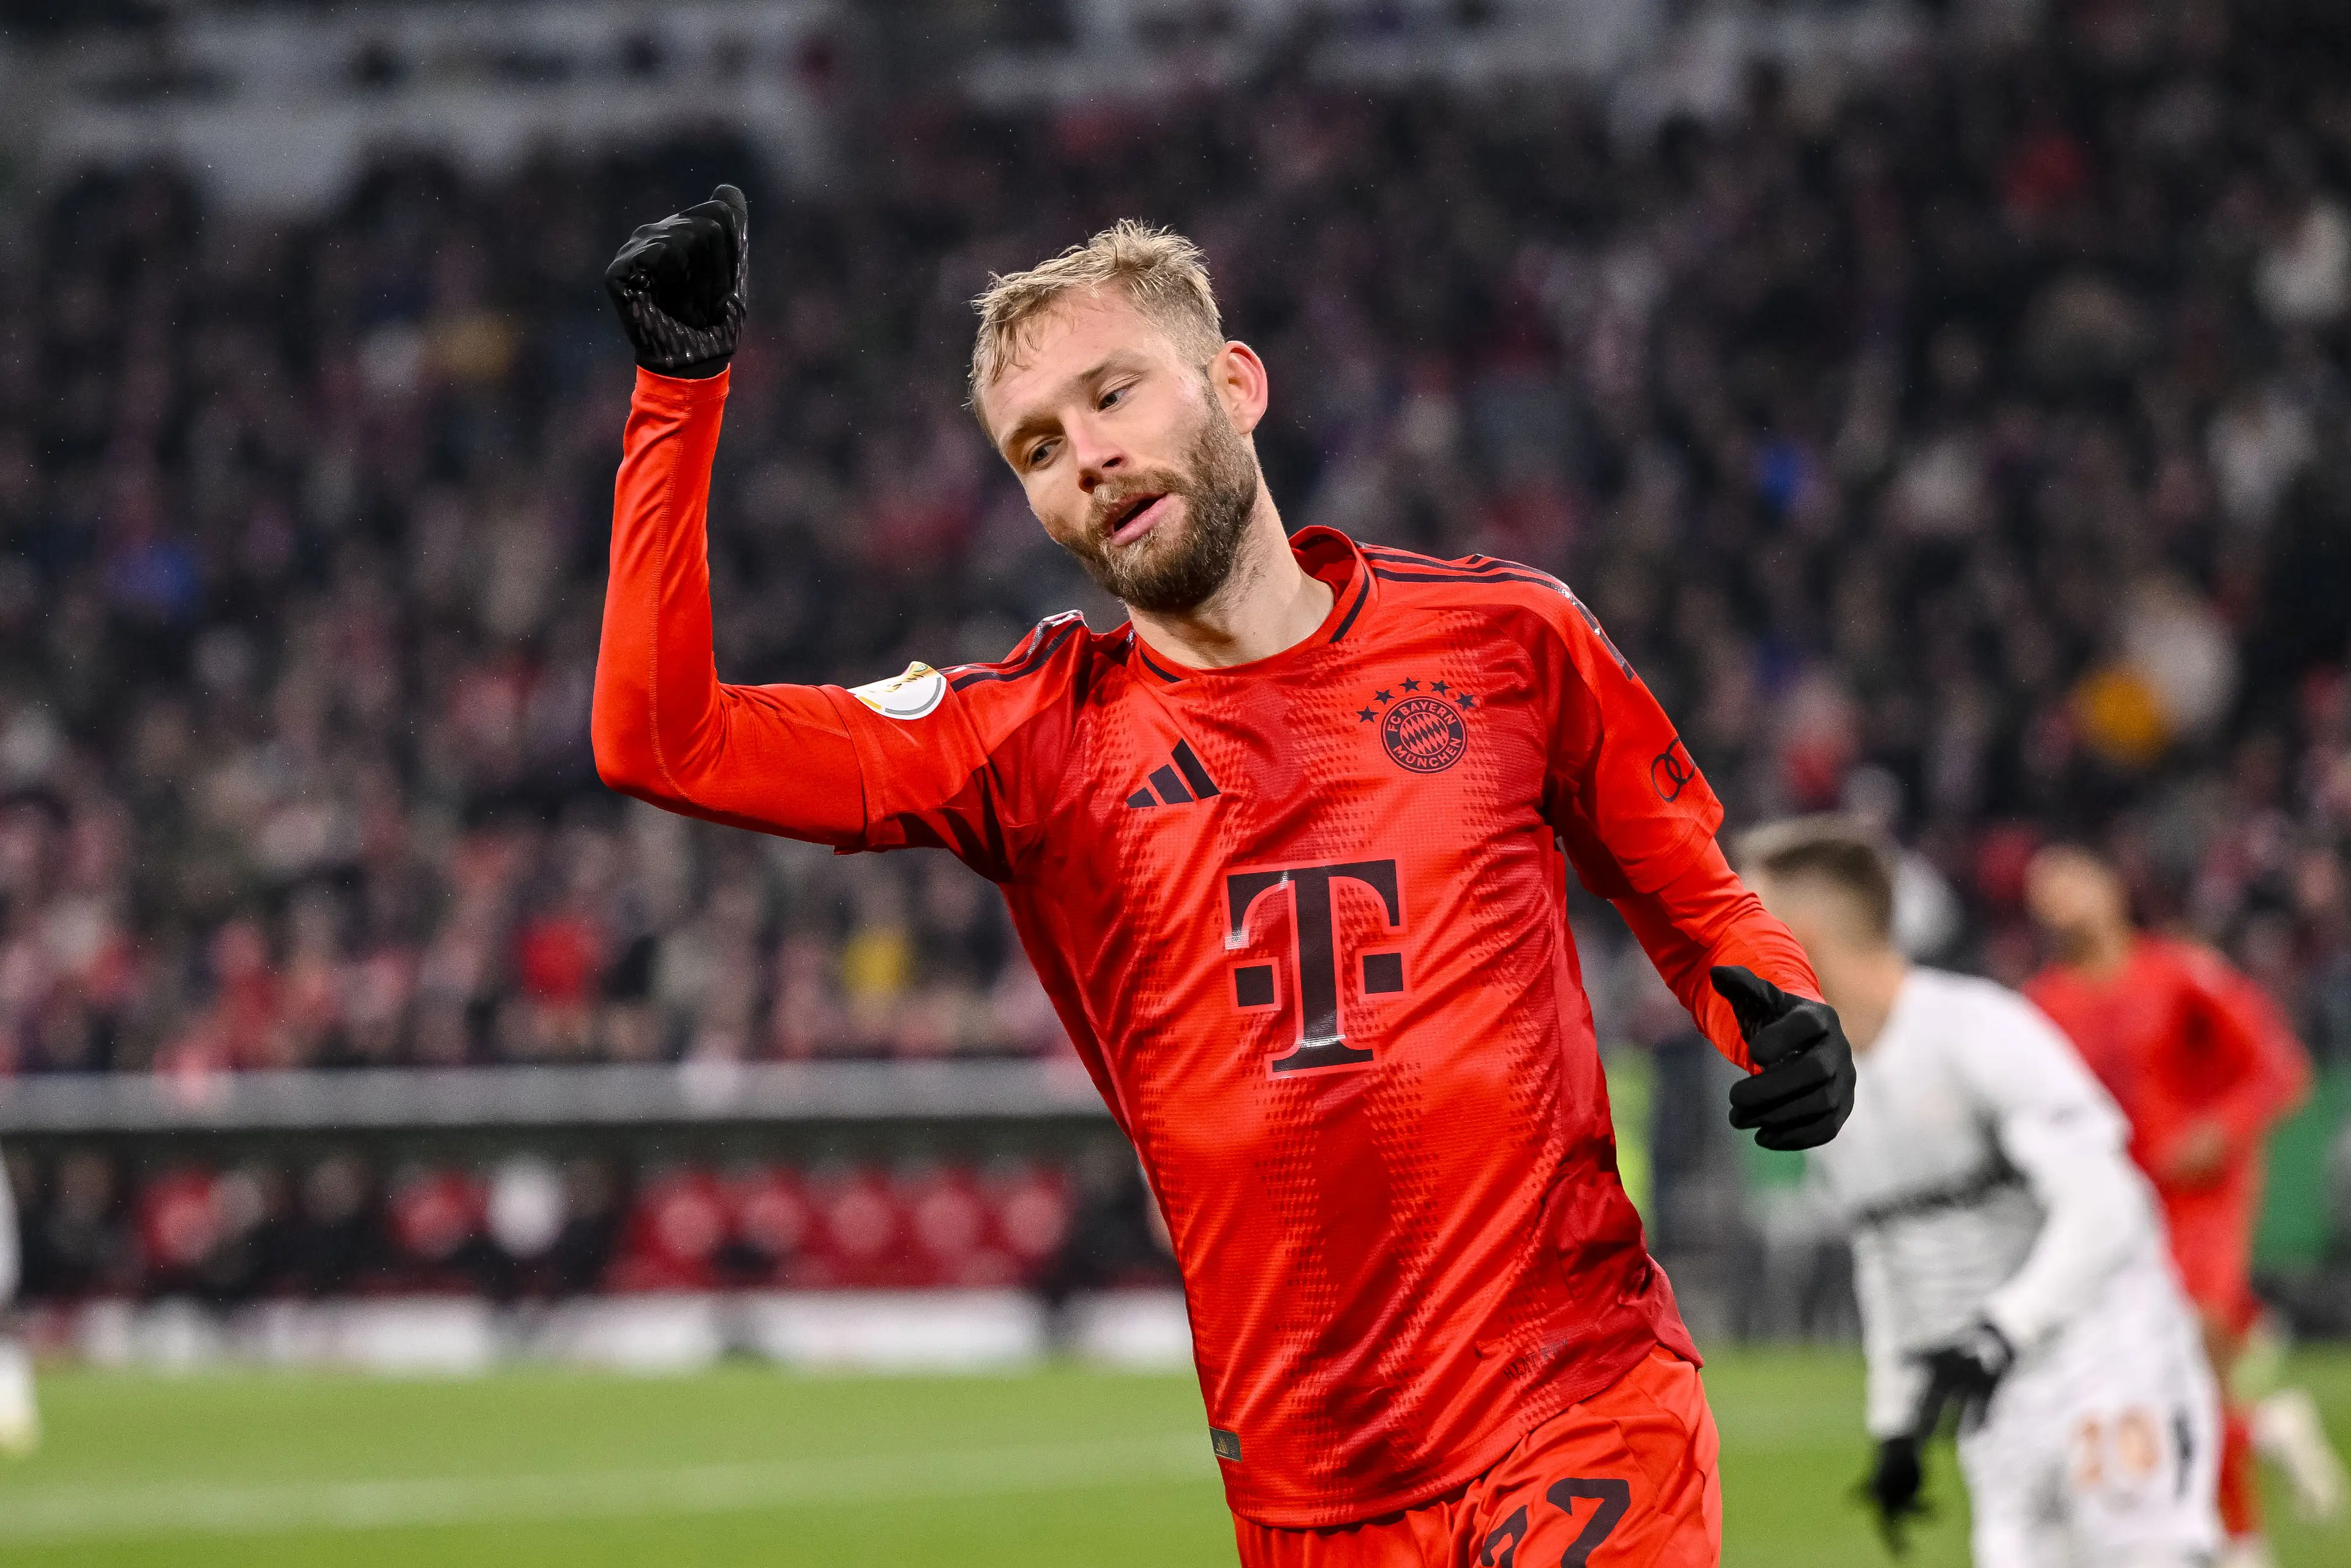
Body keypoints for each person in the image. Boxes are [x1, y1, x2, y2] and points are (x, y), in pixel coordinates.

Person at [594, 192, 1858, 1566]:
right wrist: (681, 393)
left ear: (1235, 383)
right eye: (1038, 444)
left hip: (1575, 1404)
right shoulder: (1031, 738)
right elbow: (665, 737)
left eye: (1113, 392)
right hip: (1309, 1489)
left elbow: (1696, 896)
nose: (1089, 454)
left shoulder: (1509, 638)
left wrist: (1780, 1007)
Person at [1744, 818, 2220, 1567]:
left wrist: (2006, 1327)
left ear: (1799, 935)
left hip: (2106, 1356)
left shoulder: (1979, 1030)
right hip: (1996, 1394)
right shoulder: (1830, 1088)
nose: (1727, 950)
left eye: (1745, 924)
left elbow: (2108, 1207)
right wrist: (1896, 1423)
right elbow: (1885, 1253)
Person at [2025, 845, 2344, 1563]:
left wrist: (2218, 1131)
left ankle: (2240, 1542)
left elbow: (2279, 1068)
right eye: (2043, 890)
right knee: (2155, 1395)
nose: (2060, 899)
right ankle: (2264, 1436)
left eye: (2072, 878)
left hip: (2201, 1209)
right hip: (2113, 1219)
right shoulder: (2044, 1004)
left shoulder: (2179, 973)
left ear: (2111, 887)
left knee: (2192, 1373)